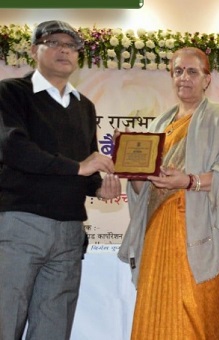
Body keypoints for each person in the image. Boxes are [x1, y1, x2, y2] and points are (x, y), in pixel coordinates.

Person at [117, 47, 219, 340]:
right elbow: (145, 191)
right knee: (158, 317)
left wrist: (189, 181)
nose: (184, 78)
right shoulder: (159, 125)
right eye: (178, 71)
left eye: (192, 71)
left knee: (198, 319)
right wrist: (132, 170)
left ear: (207, 79)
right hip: (159, 234)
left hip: (203, 235)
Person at [0, 20, 121, 340]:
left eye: (71, 46)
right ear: (33, 50)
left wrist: (99, 186)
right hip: (21, 223)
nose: (64, 50)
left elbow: (87, 165)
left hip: (69, 231)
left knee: (54, 328)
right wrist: (77, 168)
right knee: (4, 317)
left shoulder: (85, 106)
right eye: (53, 42)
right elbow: (13, 147)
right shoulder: (10, 92)